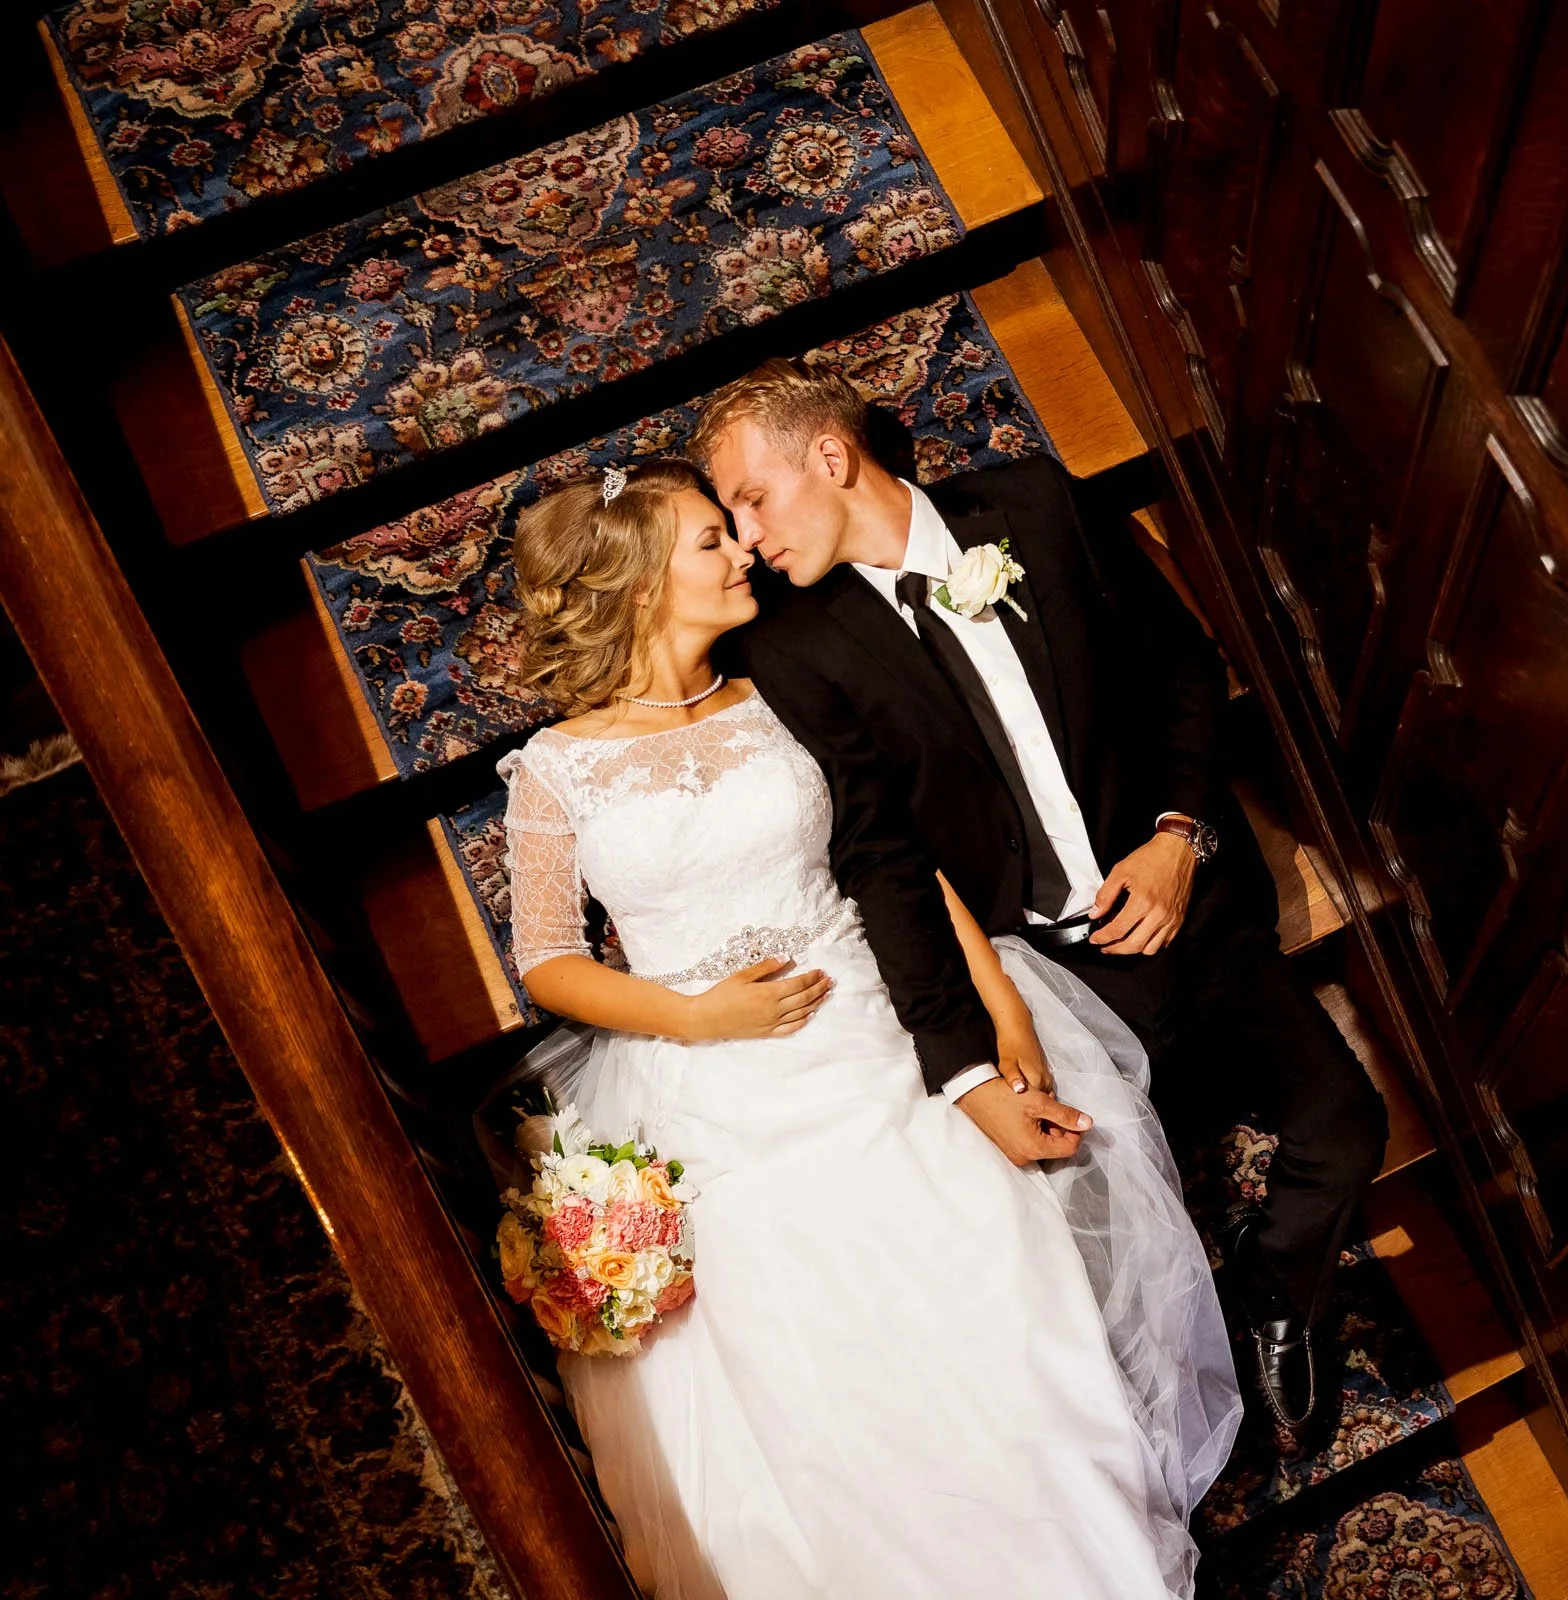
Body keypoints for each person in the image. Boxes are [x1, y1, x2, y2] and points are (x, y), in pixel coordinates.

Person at [492, 460, 1238, 1599]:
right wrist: (696, 1015)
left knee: (991, 1313)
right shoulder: (554, 770)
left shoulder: (776, 686)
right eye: (708, 540)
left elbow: (887, 853)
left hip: (876, 1024)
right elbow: (547, 962)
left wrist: (992, 997)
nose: (742, 549)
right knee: (814, 1383)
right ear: (640, 583)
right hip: (705, 1085)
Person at [695, 364, 1389, 1438]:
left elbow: (1185, 674)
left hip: (1183, 908)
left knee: (1346, 1130)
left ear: (830, 459)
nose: (744, 539)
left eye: (753, 499)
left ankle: (1277, 1285)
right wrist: (963, 1061)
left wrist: (1179, 838)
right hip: (1043, 975)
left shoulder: (1034, 505)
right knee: (1091, 1251)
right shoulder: (792, 645)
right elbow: (879, 855)